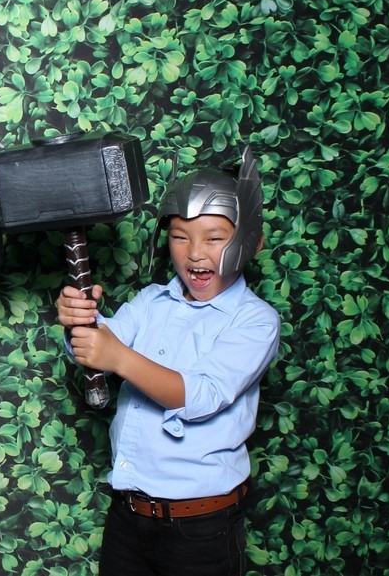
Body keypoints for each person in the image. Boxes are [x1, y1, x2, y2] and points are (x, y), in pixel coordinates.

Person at [56, 147, 280, 575]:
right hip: (128, 515)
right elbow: (100, 349)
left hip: (201, 528)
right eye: (180, 237)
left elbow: (201, 395)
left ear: (251, 240)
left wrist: (117, 356)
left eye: (214, 238)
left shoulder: (256, 321)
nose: (195, 253)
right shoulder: (151, 301)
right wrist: (80, 322)